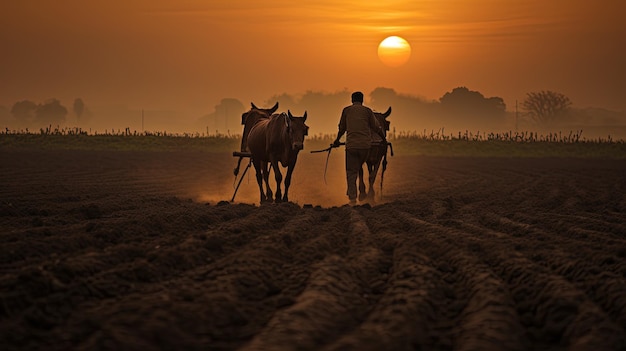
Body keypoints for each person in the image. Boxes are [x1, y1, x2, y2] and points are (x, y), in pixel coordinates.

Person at [333, 91, 386, 205]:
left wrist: (337, 140)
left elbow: (342, 128)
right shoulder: (367, 111)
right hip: (365, 148)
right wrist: (384, 139)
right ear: (362, 100)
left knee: (351, 171)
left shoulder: (346, 111)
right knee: (360, 164)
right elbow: (376, 127)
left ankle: (352, 198)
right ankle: (363, 189)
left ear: (352, 100)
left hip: (351, 147)